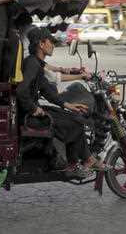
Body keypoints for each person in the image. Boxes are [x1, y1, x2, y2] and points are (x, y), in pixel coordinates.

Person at [17, 27, 107, 177]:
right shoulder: (32, 64)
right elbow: (21, 90)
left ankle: (84, 160)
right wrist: (33, 109)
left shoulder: (35, 62)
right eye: (50, 42)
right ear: (41, 44)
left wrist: (68, 105)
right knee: (75, 122)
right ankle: (77, 163)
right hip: (28, 116)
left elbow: (47, 90)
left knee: (74, 117)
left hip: (30, 111)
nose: (53, 45)